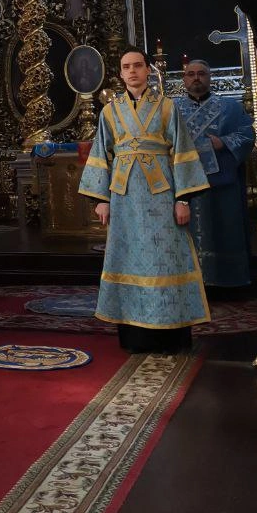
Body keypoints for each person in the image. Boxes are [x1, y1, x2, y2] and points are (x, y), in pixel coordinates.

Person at [79, 48, 211, 352]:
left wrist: (183, 200)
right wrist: (101, 199)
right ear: (121, 73)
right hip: (124, 198)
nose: (132, 71)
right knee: (127, 257)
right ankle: (134, 335)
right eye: (126, 67)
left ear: (147, 70)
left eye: (138, 65)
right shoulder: (110, 112)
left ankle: (170, 334)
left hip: (161, 196)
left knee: (167, 258)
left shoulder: (166, 108)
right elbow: (101, 154)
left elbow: (182, 152)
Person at [173, 59, 255, 290]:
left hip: (221, 183)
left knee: (224, 229)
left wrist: (224, 142)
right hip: (185, 183)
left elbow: (247, 135)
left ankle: (226, 283)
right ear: (184, 79)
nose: (196, 78)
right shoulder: (172, 109)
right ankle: (190, 284)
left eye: (201, 73)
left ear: (210, 77)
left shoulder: (230, 107)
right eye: (191, 74)